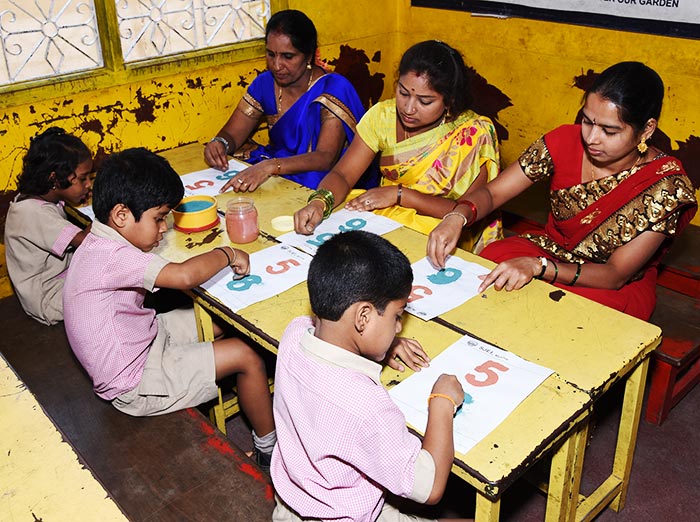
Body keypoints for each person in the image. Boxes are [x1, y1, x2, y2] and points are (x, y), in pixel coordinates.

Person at [427, 62, 698, 321]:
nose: (591, 138)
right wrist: (458, 217)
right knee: (491, 262)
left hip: (607, 284)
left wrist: (538, 267)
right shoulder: (563, 141)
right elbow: (493, 194)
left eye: (609, 131)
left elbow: (615, 274)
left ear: (647, 129)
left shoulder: (665, 186)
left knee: (587, 317)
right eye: (588, 121)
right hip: (551, 250)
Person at [62, 148, 276, 469]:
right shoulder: (113, 256)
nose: (164, 228)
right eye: (159, 218)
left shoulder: (99, 241)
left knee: (220, 322)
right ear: (121, 215)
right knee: (246, 355)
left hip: (142, 338)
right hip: (135, 382)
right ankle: (268, 452)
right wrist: (229, 253)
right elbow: (185, 276)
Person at [271, 230, 471, 522]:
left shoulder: (293, 334)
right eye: (397, 316)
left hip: (296, 500)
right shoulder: (366, 404)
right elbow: (430, 487)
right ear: (363, 317)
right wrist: (442, 401)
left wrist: (379, 344)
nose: (399, 328)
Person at [294, 40, 502, 254]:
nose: (409, 109)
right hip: (387, 212)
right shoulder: (383, 117)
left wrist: (401, 195)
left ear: (449, 101)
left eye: (425, 101)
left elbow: (465, 211)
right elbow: (344, 175)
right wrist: (320, 202)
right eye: (403, 93)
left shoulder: (473, 133)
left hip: (442, 227)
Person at [205, 9, 374, 192]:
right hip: (280, 164)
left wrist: (270, 167)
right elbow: (233, 134)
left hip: (321, 172)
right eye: (271, 54)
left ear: (309, 55)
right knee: (240, 159)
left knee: (316, 182)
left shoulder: (332, 89)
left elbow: (325, 157)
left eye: (288, 56)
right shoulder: (265, 83)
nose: (277, 65)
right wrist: (220, 143)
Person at [4, 127, 93, 325]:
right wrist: (108, 211)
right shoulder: (33, 213)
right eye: (82, 178)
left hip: (59, 277)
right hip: (49, 299)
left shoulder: (34, 200)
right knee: (113, 280)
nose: (88, 184)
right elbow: (87, 241)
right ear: (54, 179)